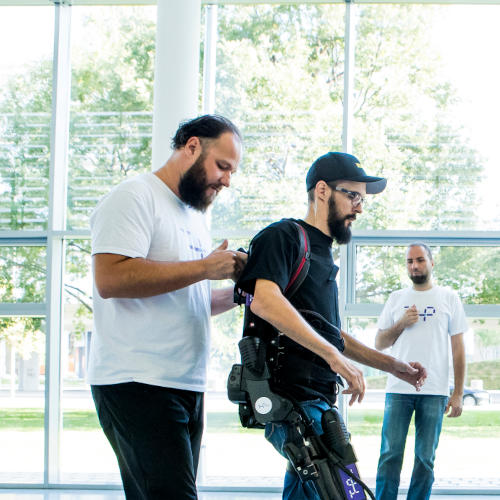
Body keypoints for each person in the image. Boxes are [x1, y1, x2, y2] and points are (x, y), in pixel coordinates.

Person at [235, 152, 427, 500]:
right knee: (343, 493)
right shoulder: (285, 236)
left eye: (362, 200)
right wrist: (334, 358)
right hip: (291, 401)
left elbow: (329, 334)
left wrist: (394, 366)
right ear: (322, 190)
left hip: (318, 401)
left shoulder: (321, 254)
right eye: (352, 195)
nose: (359, 208)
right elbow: (264, 300)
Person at [88, 114, 246, 500]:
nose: (227, 180)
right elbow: (110, 279)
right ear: (192, 147)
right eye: (222, 166)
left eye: (232, 171)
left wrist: (242, 293)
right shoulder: (134, 197)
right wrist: (205, 267)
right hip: (138, 382)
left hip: (183, 384)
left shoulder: (192, 217)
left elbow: (190, 299)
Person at [374, 242, 467, 500]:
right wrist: (401, 323)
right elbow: (380, 343)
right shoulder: (396, 298)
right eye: (410, 261)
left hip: (435, 391)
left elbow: (458, 350)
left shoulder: (449, 298)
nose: (414, 265)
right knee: (390, 455)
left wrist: (458, 393)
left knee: (425, 459)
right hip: (398, 389)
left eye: (420, 260)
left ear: (431, 262)